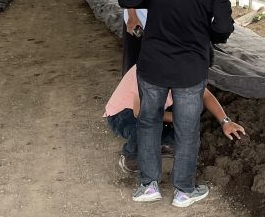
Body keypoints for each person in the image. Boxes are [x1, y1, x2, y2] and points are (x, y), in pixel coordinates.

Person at [117, 0, 234, 208]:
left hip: (153, 63)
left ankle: (148, 186)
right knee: (187, 128)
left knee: (149, 121)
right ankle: (183, 191)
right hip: (190, 67)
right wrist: (207, 33)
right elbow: (223, 27)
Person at [104, 65, 247, 175]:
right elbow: (140, 112)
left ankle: (165, 143)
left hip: (157, 107)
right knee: (148, 125)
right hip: (125, 114)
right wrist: (178, 118)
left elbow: (206, 95)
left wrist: (225, 122)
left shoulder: (185, 67)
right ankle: (131, 155)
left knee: (192, 109)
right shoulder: (149, 68)